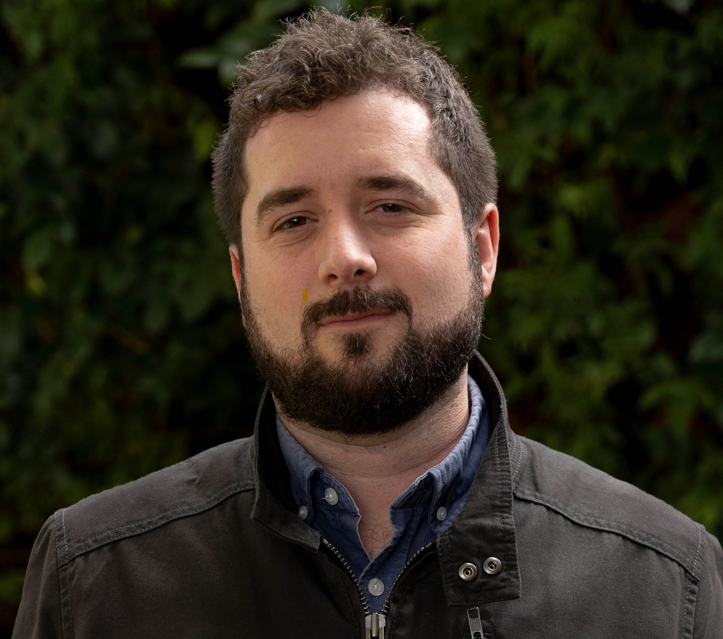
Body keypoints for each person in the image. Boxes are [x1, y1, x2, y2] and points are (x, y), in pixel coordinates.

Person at [13, 9, 723, 639]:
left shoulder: (662, 585)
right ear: (240, 277)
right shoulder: (98, 581)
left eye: (389, 206)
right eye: (294, 221)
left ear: (481, 248)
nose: (345, 258)